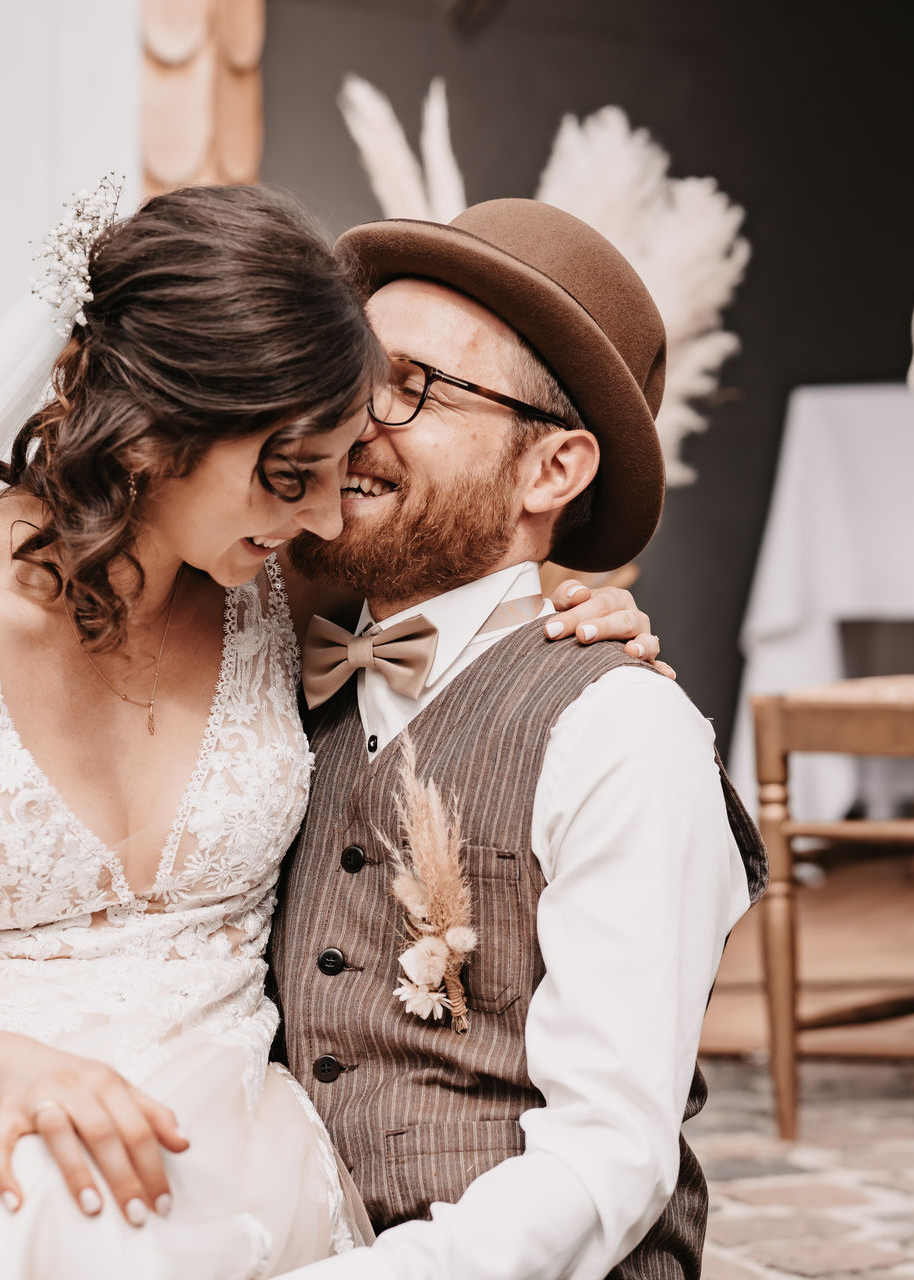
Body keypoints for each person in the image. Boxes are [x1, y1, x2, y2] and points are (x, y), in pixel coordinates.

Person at [0, 183, 661, 1279]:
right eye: (291, 474)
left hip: (239, 1163)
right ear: (157, 431)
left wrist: (564, 603)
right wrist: (19, 1075)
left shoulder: (274, 577)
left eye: (336, 469)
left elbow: (456, 593)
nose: (330, 516)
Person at [270, 199, 769, 1280]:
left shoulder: (621, 730)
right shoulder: (265, 681)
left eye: (410, 388)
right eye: (350, 381)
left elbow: (609, 1159)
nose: (354, 423)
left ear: (554, 470)